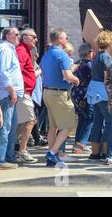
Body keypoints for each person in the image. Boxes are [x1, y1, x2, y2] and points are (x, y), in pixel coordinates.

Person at [41, 28, 80, 167]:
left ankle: (52, 155)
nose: (67, 40)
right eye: (66, 38)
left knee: (53, 127)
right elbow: (67, 76)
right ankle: (52, 153)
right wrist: (76, 80)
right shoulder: (62, 54)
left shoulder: (46, 54)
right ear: (59, 40)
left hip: (47, 92)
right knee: (68, 125)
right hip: (59, 93)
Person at [0, 27, 24, 170]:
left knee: (10, 126)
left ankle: (7, 157)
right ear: (7, 36)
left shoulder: (8, 49)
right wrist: (11, 90)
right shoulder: (5, 49)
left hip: (9, 94)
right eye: (16, 34)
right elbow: (4, 72)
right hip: (6, 94)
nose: (18, 37)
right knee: (4, 127)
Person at [86, 30, 112, 161]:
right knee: (110, 121)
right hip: (103, 92)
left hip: (94, 91)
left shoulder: (97, 56)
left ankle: (94, 152)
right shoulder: (106, 57)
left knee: (97, 122)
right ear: (109, 42)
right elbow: (107, 78)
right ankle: (105, 151)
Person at [14, 28, 39, 164]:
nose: (36, 40)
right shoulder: (21, 51)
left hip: (25, 92)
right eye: (33, 37)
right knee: (30, 120)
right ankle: (22, 151)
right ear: (24, 37)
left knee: (21, 122)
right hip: (23, 92)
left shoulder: (25, 51)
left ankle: (13, 148)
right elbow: (17, 70)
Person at [71, 42, 94, 154]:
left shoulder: (77, 63)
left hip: (76, 93)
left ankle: (77, 143)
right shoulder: (89, 65)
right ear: (89, 53)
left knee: (82, 118)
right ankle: (81, 144)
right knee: (90, 118)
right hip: (85, 94)